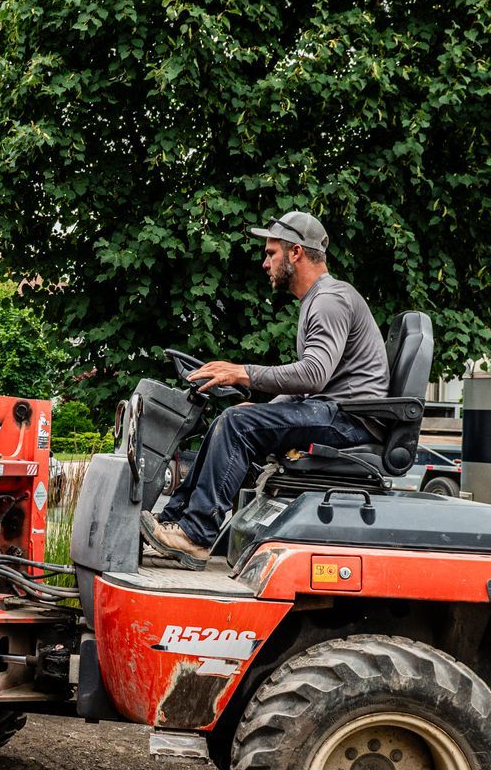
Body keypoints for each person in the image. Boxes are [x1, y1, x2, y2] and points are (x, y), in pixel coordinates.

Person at [141, 210, 389, 567]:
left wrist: (242, 373)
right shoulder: (319, 299)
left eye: (271, 253)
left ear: (296, 252)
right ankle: (173, 522)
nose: (265, 263)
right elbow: (310, 389)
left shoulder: (329, 299)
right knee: (232, 419)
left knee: (236, 425)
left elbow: (314, 376)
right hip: (334, 411)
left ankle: (195, 536)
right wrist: (264, 409)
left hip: (350, 419)